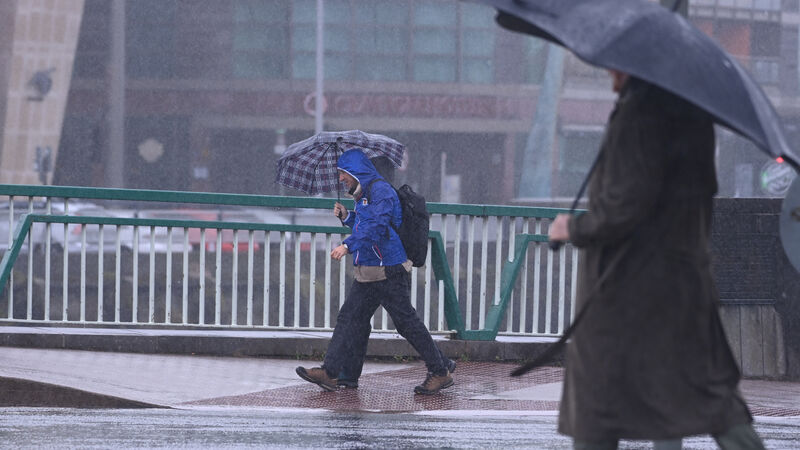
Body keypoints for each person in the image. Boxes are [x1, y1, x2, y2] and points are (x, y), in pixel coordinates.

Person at [548, 71, 765, 450]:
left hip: (629, 285)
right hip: (682, 280)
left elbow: (624, 208)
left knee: (599, 400)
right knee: (704, 393)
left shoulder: (640, 116)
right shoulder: (693, 117)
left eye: (615, 65)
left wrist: (573, 227)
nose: (609, 72)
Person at [296, 149, 455, 395]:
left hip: (389, 270)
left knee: (406, 324)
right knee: (351, 320)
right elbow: (364, 223)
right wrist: (348, 216)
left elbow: (378, 228)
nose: (341, 179)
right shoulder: (364, 194)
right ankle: (334, 373)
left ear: (356, 172)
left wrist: (348, 245)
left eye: (343, 174)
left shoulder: (381, 192)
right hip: (369, 271)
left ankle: (440, 371)